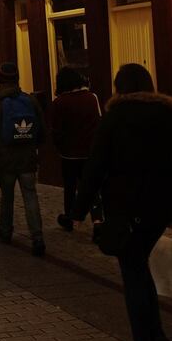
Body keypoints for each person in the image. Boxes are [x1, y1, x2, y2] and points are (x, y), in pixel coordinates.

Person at [73, 64, 172, 341]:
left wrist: (80, 207)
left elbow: (96, 165)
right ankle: (156, 334)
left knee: (132, 272)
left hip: (126, 207)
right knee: (140, 265)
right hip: (159, 208)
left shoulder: (114, 118)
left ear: (119, 86)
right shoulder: (165, 118)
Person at [0, 62, 47, 257]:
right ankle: (37, 237)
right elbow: (41, 128)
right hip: (27, 157)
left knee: (7, 196)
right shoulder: (29, 100)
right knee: (30, 195)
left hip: (5, 158)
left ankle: (6, 229)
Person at [50, 67, 102, 237]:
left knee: (70, 186)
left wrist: (60, 147)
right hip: (90, 152)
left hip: (69, 154)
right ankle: (97, 220)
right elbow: (99, 123)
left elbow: (56, 130)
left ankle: (71, 218)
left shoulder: (59, 102)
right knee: (92, 187)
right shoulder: (92, 98)